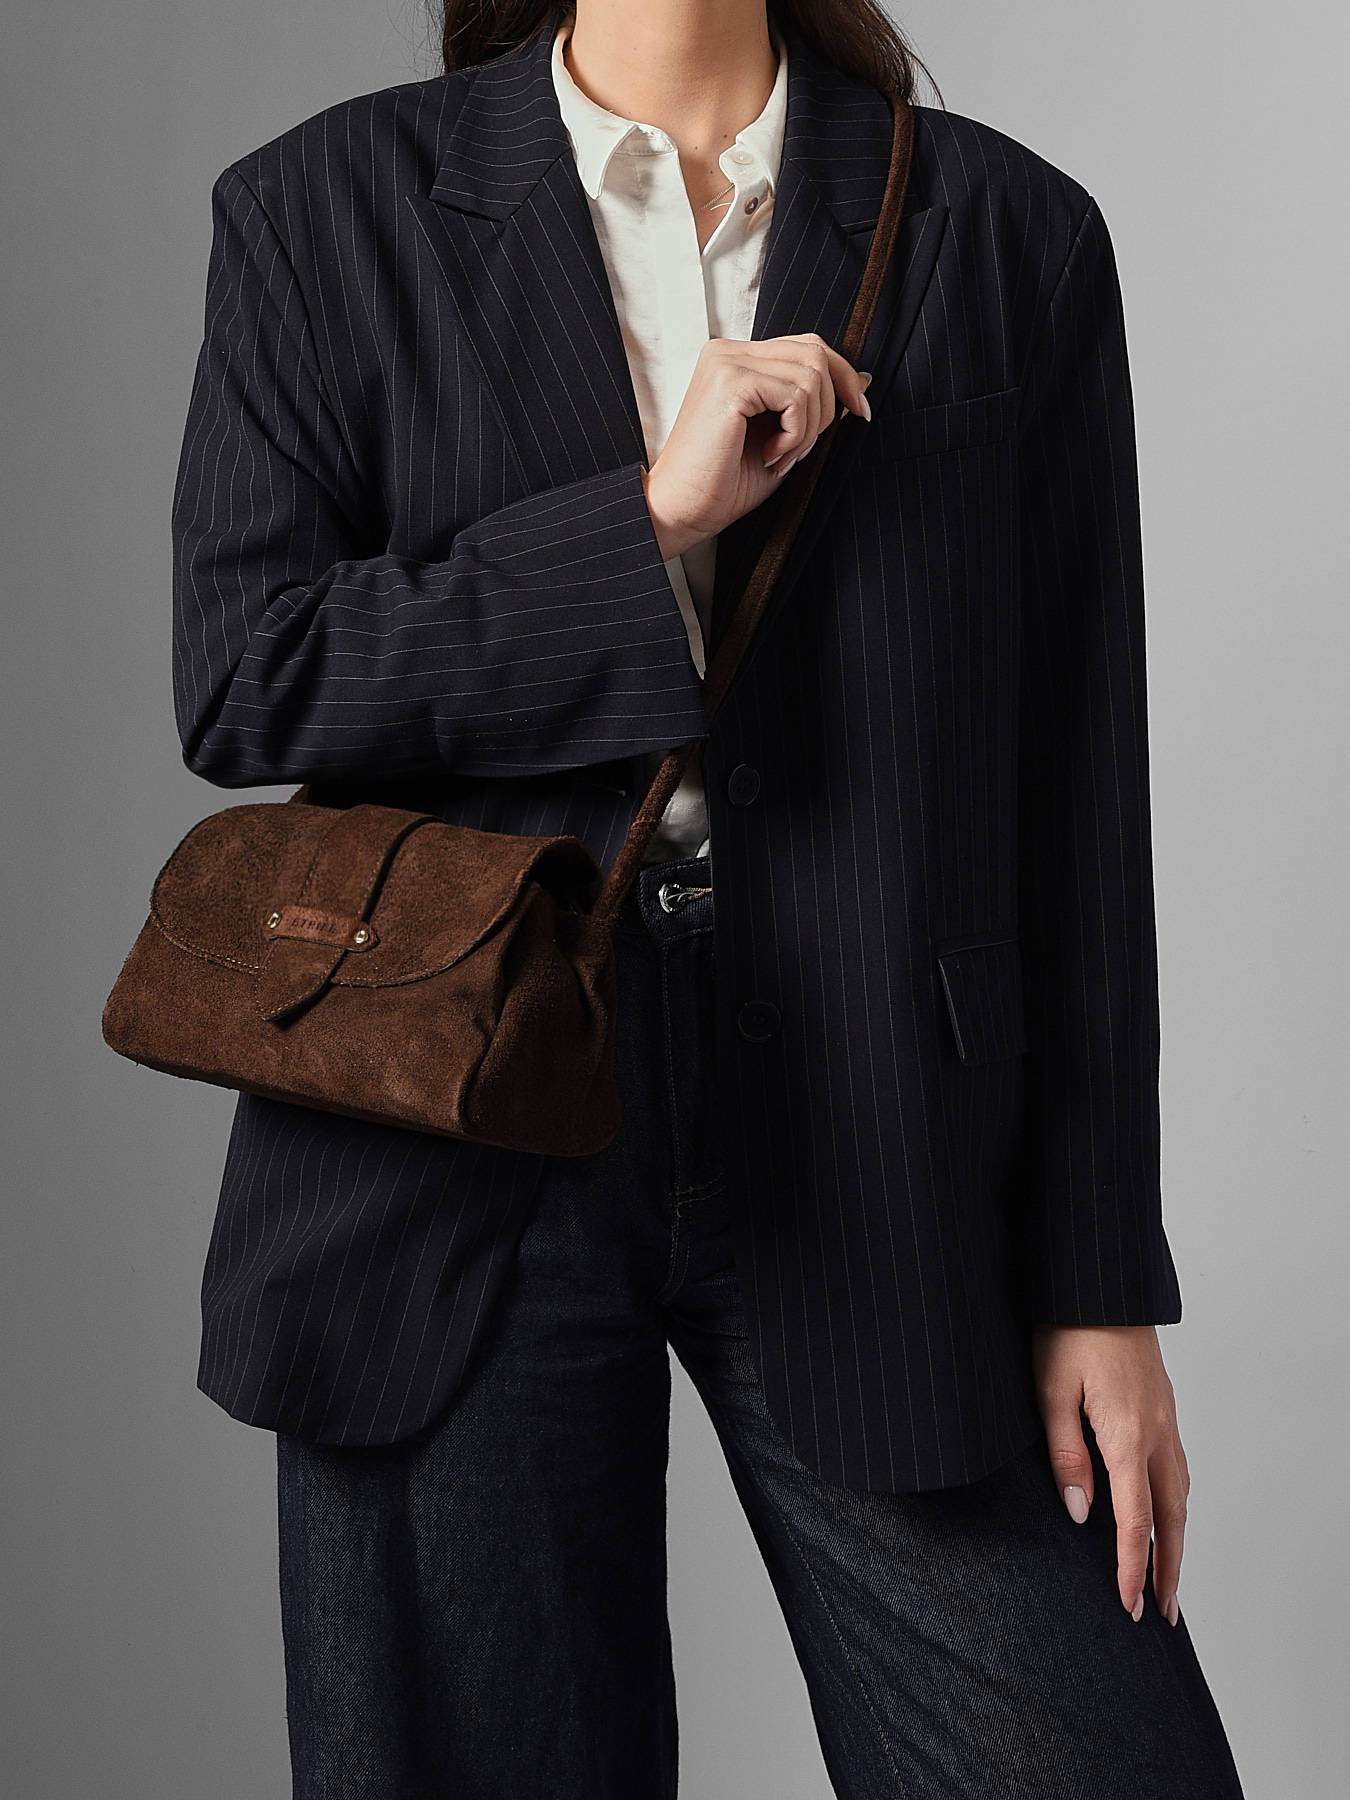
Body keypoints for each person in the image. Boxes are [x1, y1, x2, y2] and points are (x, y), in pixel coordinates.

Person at [171, 0, 1248, 1792]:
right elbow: (247, 676)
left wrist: (1097, 1277)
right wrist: (646, 518)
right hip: (454, 1126)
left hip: (890, 1133)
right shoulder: (319, 208)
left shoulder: (1004, 227)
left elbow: (1074, 776)